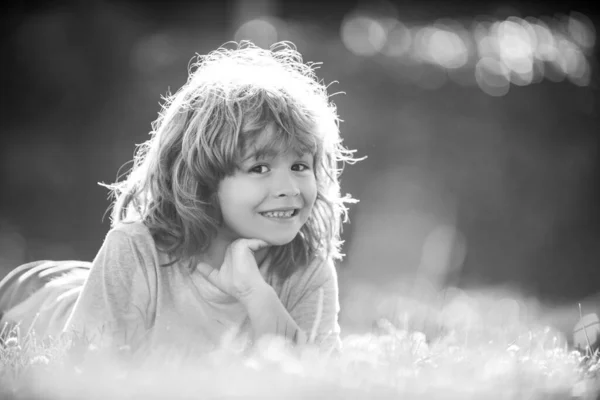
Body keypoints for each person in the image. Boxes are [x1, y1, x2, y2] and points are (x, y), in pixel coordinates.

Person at [0, 41, 361, 356]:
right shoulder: (134, 251)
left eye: (300, 165)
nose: (290, 188)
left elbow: (315, 379)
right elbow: (81, 367)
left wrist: (258, 296)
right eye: (260, 168)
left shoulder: (305, 269)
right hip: (32, 298)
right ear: (202, 179)